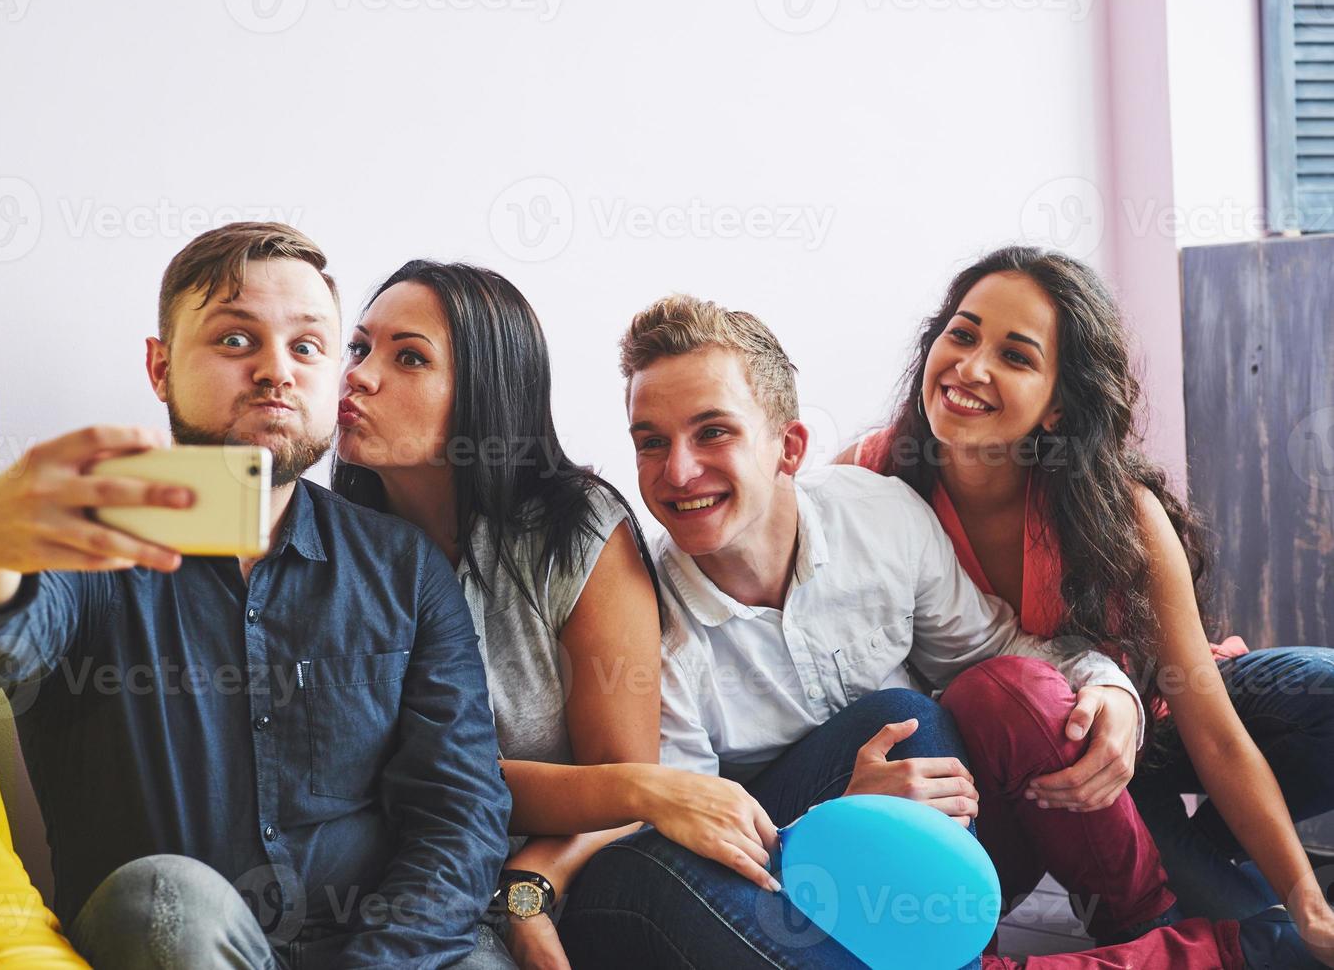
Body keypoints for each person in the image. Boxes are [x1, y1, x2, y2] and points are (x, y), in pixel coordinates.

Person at [557, 292, 1316, 969]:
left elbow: (1001, 653)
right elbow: (691, 829)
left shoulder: (878, 514)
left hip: (961, 837)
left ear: (788, 448)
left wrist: (1106, 686)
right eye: (650, 441)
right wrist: (829, 824)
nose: (676, 471)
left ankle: (1144, 921)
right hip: (790, 862)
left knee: (960, 705)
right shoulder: (647, 616)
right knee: (904, 719)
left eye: (711, 433)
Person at [0, 223, 512, 969]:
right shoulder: (88, 539)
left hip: (381, 951)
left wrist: (382, 962)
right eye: (236, 341)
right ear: (160, 367)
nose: (276, 371)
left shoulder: (403, 565)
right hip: (175, 941)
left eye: (306, 347)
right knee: (165, 896)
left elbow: (459, 810)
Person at [839, 245, 1334, 964]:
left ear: (1058, 404)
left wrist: (1305, 895)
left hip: (1162, 724)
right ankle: (1154, 866)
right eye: (961, 333)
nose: (970, 368)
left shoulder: (1118, 510)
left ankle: (1213, 849)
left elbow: (1214, 732)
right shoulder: (864, 483)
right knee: (1258, 945)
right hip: (1039, 774)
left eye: (1014, 355)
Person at [333, 261, 794, 969]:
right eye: (359, 348)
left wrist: (525, 896)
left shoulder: (571, 530)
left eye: (409, 358)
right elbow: (404, 786)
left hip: (573, 881)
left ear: (483, 394)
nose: (359, 376)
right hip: (413, 889)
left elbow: (630, 787)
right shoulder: (331, 552)